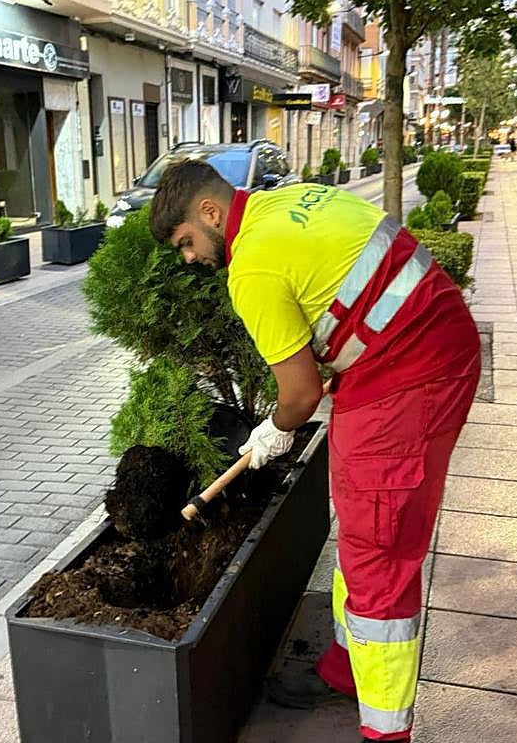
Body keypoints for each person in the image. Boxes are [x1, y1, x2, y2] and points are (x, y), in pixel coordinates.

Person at [149, 161, 481, 743]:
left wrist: (275, 428)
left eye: (186, 243)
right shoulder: (290, 200)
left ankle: (386, 733)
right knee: (360, 529)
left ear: (209, 213)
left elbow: (298, 393)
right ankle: (346, 671)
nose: (190, 257)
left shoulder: (251, 264)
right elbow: (355, 290)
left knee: (379, 550)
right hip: (421, 349)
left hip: (410, 377)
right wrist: (342, 349)